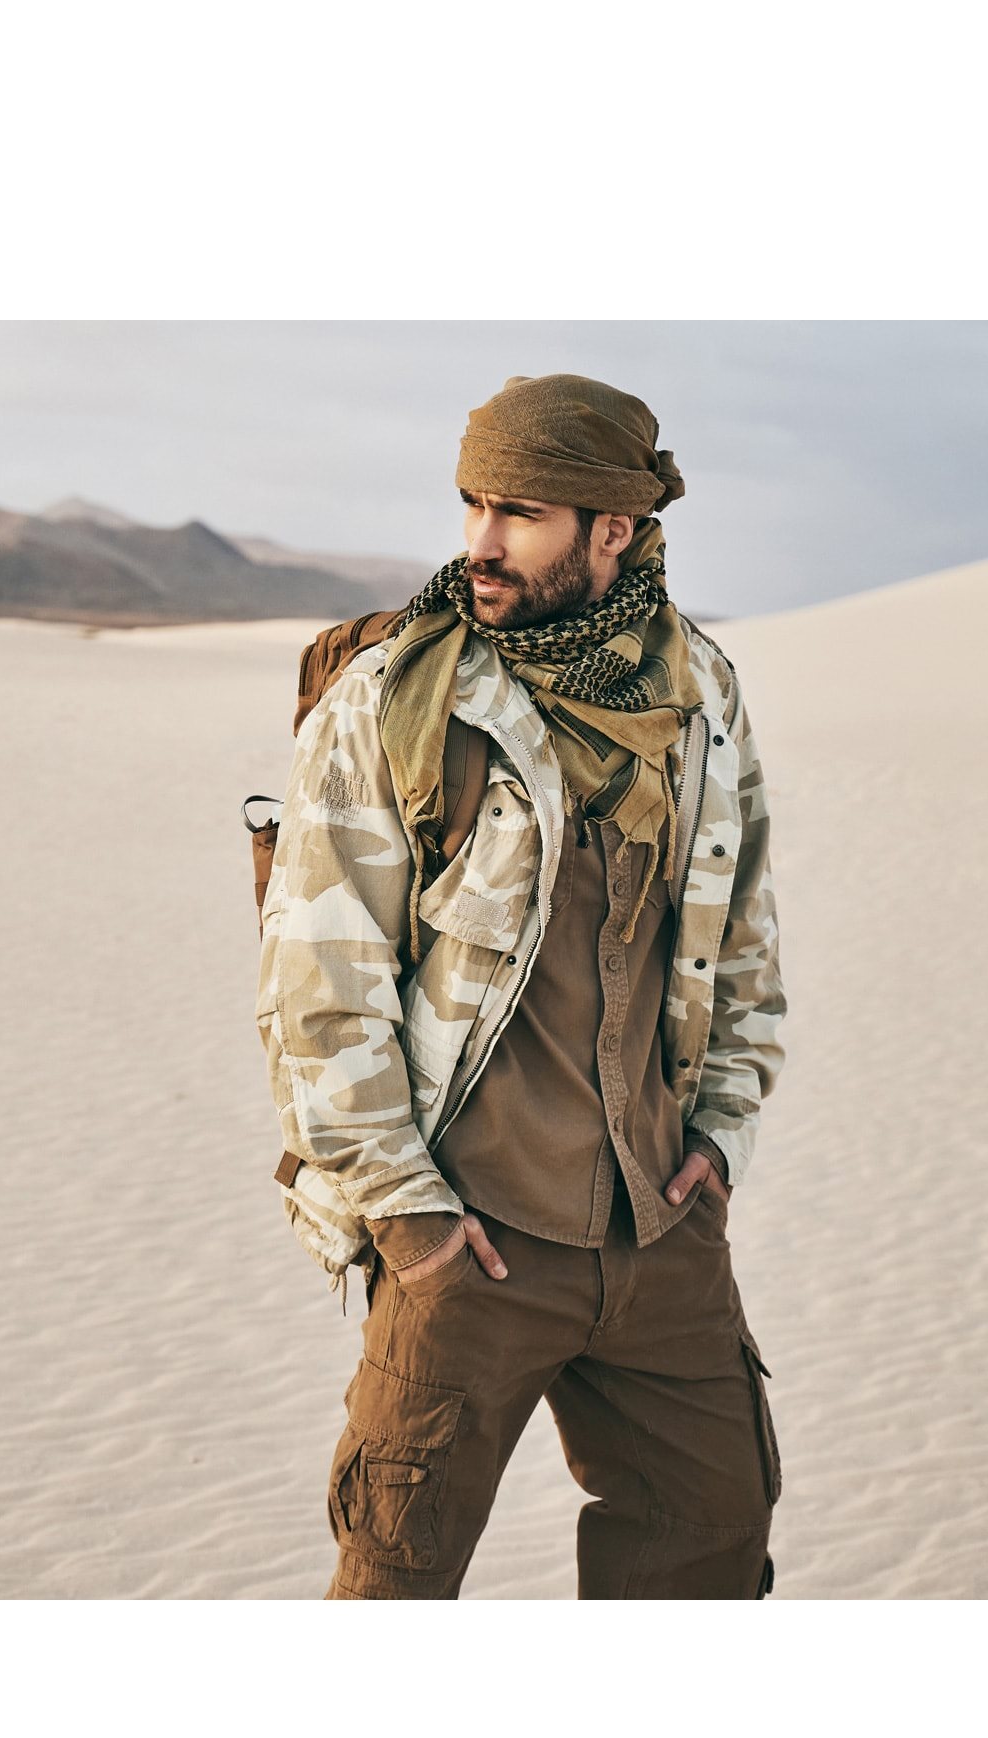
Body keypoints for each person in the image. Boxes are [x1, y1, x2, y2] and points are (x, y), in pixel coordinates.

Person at [255, 373, 787, 1599]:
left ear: (614, 530)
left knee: (711, 1543)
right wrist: (411, 1221)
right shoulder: (398, 697)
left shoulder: (699, 691)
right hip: (470, 1242)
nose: (481, 544)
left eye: (522, 514)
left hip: (660, 1230)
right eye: (473, 505)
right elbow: (320, 987)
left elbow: (743, 928)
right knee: (397, 1574)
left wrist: (721, 1136)